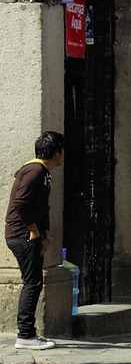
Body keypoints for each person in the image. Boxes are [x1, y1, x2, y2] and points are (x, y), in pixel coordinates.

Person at [5, 131, 65, 350]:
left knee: (34, 282)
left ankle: (28, 333)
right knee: (32, 283)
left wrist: (46, 232)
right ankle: (26, 335)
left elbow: (42, 206)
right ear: (56, 151)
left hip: (29, 235)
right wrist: (33, 231)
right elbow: (20, 204)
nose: (63, 154)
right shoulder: (35, 170)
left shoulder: (44, 172)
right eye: (62, 150)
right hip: (21, 235)